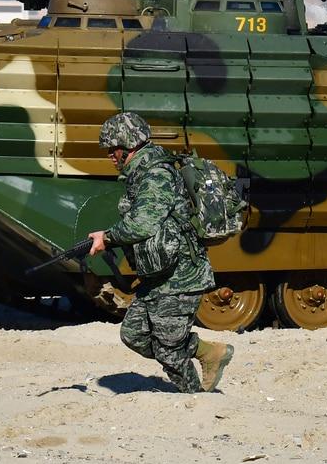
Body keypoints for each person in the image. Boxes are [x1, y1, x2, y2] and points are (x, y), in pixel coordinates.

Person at [87, 112, 234, 392]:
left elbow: (143, 223)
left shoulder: (156, 174)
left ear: (127, 145)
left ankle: (196, 398)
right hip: (158, 275)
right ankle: (207, 351)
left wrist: (108, 238)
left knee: (168, 350)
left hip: (181, 276)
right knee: (134, 334)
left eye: (111, 149)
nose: (109, 155)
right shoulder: (140, 173)